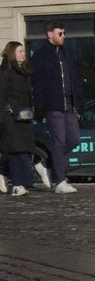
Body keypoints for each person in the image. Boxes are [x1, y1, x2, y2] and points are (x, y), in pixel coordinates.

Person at [30, 20, 85, 193]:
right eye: (60, 33)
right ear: (49, 34)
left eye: (64, 33)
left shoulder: (66, 53)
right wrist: (39, 107)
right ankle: (60, 181)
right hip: (53, 104)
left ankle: (45, 163)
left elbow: (74, 78)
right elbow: (37, 83)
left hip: (69, 103)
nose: (63, 37)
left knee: (74, 139)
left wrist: (80, 102)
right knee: (59, 141)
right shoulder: (40, 55)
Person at [0, 41, 48, 196]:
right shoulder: (5, 72)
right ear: (11, 53)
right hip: (9, 117)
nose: (23, 54)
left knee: (25, 149)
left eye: (23, 51)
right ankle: (17, 184)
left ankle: (9, 176)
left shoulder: (24, 71)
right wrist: (9, 110)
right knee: (16, 150)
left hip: (24, 116)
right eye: (20, 51)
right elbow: (3, 95)